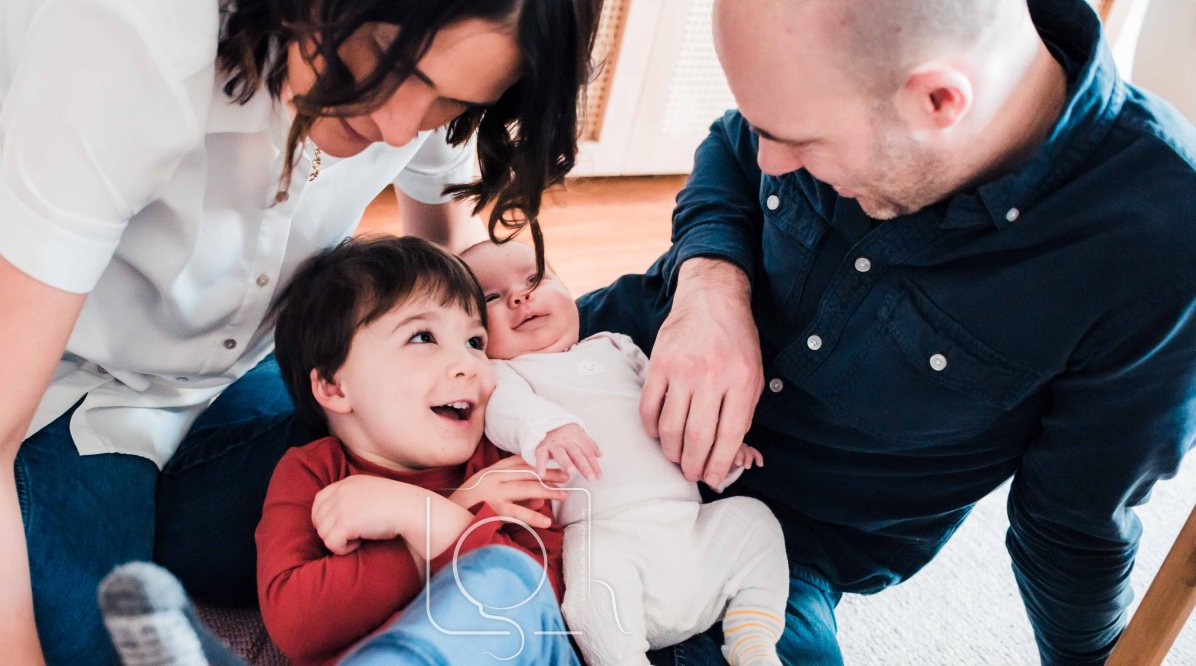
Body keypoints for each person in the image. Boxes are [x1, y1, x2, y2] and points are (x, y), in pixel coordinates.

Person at [0, 0, 600, 662]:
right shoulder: (127, 38)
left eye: (448, 99)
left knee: (356, 488)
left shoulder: (432, 66)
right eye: (380, 58)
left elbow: (437, 273)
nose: (399, 124)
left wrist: (497, 389)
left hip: (177, 382)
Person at [575, 0, 1196, 664]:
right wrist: (708, 288)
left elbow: (1073, 524)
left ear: (936, 101)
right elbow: (732, 151)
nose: (771, 161)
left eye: (801, 141)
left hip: (776, 545)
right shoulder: (808, 89)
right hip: (602, 371)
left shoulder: (1157, 243)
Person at [462, 239, 789, 666]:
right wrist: (547, 428)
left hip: (689, 529)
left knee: (753, 520)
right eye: (492, 296)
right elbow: (505, 412)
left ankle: (753, 637)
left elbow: (669, 403)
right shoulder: (505, 373)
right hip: (607, 535)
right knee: (592, 575)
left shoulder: (616, 346)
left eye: (535, 278)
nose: (521, 297)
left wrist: (714, 451)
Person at [252, 234, 574, 665]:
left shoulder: (504, 460)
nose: (468, 364)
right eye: (423, 337)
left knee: (508, 575)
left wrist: (423, 518)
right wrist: (444, 516)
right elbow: (296, 625)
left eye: (476, 342)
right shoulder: (311, 472)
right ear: (334, 386)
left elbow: (536, 604)